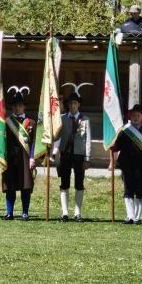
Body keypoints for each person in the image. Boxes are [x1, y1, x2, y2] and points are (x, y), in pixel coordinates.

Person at [112, 104, 142, 225]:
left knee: (140, 190)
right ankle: (130, 216)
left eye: (138, 115)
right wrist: (112, 141)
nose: (135, 118)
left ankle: (137, 216)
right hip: (127, 165)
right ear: (130, 117)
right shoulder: (125, 131)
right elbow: (116, 146)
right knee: (128, 190)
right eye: (133, 115)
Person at [54, 84, 92, 222]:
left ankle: (77, 212)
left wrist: (87, 157)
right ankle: (65, 213)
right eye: (70, 103)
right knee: (64, 182)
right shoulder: (62, 118)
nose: (72, 105)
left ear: (79, 104)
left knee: (79, 183)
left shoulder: (85, 119)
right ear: (67, 105)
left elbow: (88, 139)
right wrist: (54, 151)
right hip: (65, 154)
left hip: (80, 155)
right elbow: (57, 137)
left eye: (75, 103)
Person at [2, 86, 36, 221]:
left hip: (25, 158)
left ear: (24, 107)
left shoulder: (31, 123)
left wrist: (32, 158)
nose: (17, 108)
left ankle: (25, 212)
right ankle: (9, 212)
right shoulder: (6, 122)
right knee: (10, 186)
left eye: (20, 105)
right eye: (15, 106)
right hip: (9, 158)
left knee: (25, 186)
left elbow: (33, 143)